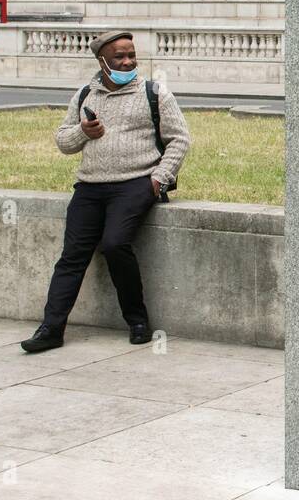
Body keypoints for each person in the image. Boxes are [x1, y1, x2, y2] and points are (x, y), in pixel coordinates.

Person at [21, 30, 191, 353]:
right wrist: (83, 132)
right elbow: (62, 141)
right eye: (119, 57)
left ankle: (137, 320)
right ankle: (51, 328)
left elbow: (180, 139)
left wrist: (159, 179)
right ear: (102, 61)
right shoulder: (86, 94)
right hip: (89, 187)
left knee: (115, 244)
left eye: (131, 56)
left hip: (135, 184)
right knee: (72, 256)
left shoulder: (154, 93)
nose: (128, 62)